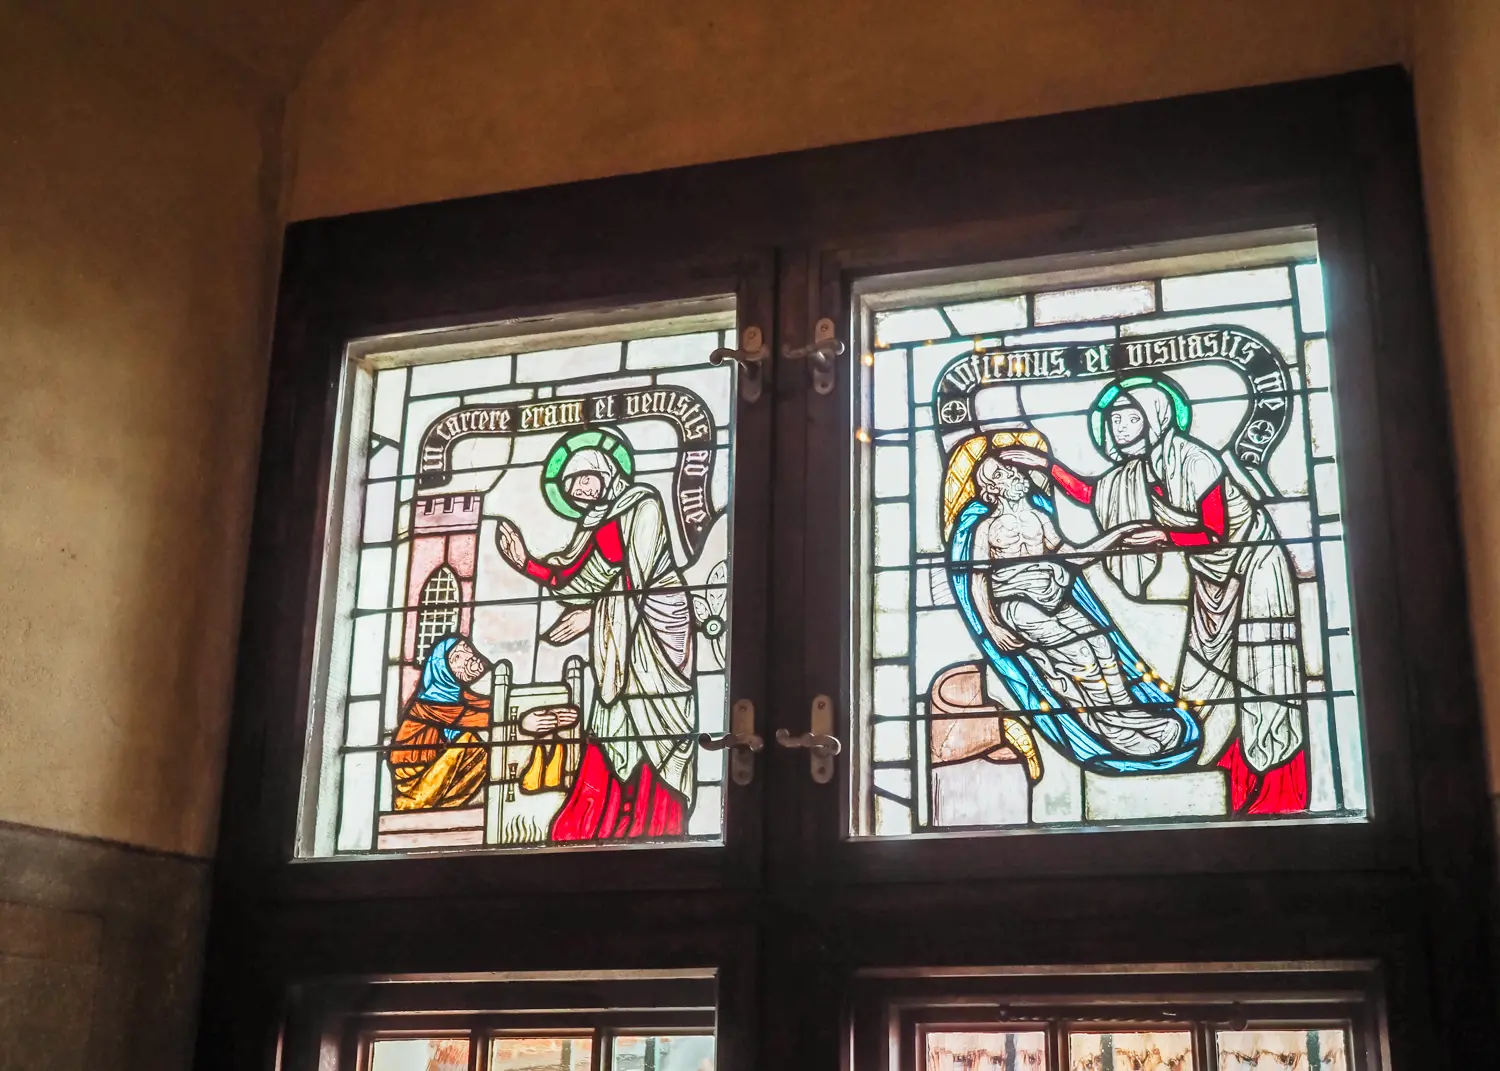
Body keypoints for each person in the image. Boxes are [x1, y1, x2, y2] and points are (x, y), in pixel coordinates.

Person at [1002, 377, 1307, 813]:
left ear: (1156, 418)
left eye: (1130, 417)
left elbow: (1218, 533)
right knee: (1206, 677)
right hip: (1211, 578)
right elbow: (1094, 493)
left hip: (1253, 566)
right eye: (1114, 420)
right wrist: (1045, 465)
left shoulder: (1196, 459)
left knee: (1260, 675)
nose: (1120, 427)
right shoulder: (1138, 470)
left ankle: (1277, 793)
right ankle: (1226, 777)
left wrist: (1162, 534)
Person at [495, 435, 696, 841]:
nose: (579, 493)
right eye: (571, 488)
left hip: (656, 627)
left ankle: (658, 824)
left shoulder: (643, 504)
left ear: (605, 471)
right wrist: (526, 564)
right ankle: (596, 828)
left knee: (656, 726)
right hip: (617, 641)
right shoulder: (592, 524)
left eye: (583, 481)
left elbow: (642, 576)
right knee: (609, 725)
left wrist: (593, 613)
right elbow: (575, 579)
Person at [963, 455, 1190, 760]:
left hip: (1054, 599)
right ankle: (1117, 733)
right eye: (1003, 473)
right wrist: (992, 627)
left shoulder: (1040, 519)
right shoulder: (987, 529)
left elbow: (1072, 557)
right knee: (1082, 657)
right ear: (993, 489)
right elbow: (977, 579)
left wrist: (1118, 535)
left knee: (1102, 646)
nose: (1014, 473)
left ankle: (1135, 718)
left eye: (1010, 468)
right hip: (1016, 605)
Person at [389, 635, 493, 810]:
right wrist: (521, 719)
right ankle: (425, 805)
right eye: (457, 658)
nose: (468, 659)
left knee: (479, 751)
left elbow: (489, 706)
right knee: (469, 741)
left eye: (467, 651)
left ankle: (448, 805)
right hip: (412, 781)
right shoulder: (430, 703)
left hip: (434, 774)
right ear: (442, 668)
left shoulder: (458, 695)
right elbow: (480, 718)